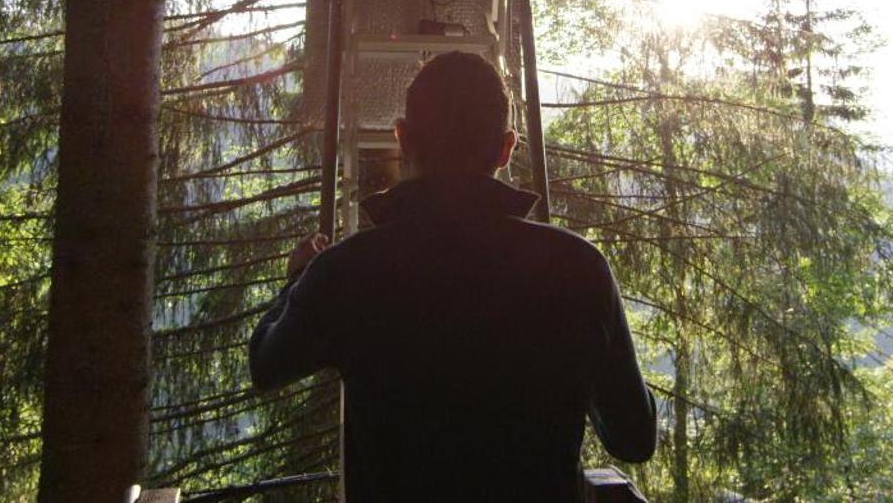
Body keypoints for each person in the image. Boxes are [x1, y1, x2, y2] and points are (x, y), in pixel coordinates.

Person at [248, 51, 657, 502]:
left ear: (403, 138)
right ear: (506, 148)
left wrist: (298, 278)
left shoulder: (347, 270)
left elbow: (266, 365)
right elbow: (633, 438)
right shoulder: (578, 268)